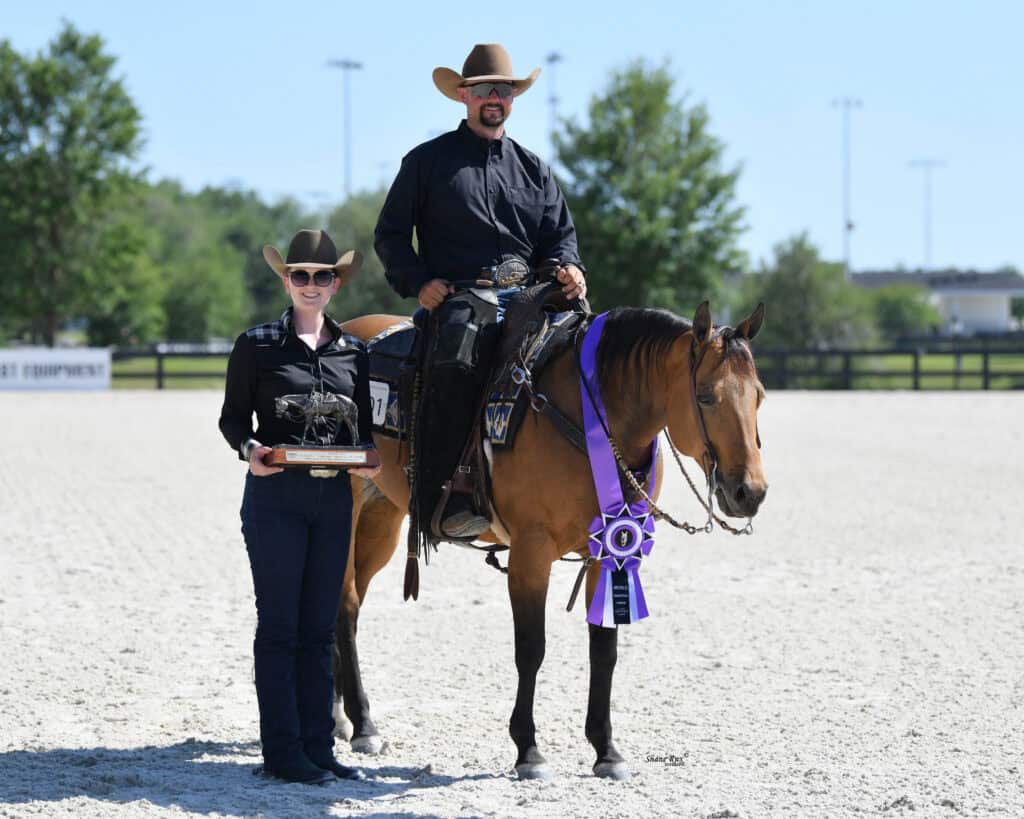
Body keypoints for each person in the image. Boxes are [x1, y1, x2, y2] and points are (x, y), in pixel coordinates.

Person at [374, 43, 587, 539]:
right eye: (485, 90)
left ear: (513, 98)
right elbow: (389, 235)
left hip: (534, 297)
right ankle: (451, 495)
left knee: (587, 351)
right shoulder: (427, 163)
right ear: (464, 96)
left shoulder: (534, 169)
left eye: (505, 90)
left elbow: (561, 238)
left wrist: (570, 269)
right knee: (459, 361)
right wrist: (419, 282)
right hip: (461, 300)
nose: (495, 98)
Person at [218, 229, 380, 785]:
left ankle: (320, 747)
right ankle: (283, 752)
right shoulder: (256, 345)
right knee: (280, 627)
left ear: (337, 284)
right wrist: (250, 450)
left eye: (323, 276)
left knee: (320, 630)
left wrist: (370, 458)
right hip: (275, 501)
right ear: (286, 281)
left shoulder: (354, 352)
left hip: (335, 500)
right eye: (301, 275)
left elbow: (363, 427)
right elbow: (233, 421)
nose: (312, 285)